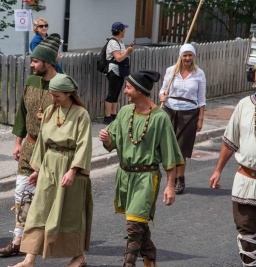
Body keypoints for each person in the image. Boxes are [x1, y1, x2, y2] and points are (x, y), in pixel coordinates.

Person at [99, 71, 184, 267]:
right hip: (125, 175)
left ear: (139, 90)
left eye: (128, 88)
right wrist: (106, 138)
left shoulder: (160, 118)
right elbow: (112, 141)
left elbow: (169, 156)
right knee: (137, 222)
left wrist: (170, 186)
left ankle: (128, 264)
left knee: (133, 225)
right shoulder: (124, 112)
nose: (126, 91)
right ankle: (150, 255)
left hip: (146, 177)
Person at [9, 73, 93, 267]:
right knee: (39, 210)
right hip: (49, 164)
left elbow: (84, 145)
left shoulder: (81, 115)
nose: (53, 99)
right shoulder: (49, 111)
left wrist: (73, 171)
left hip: (70, 166)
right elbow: (41, 142)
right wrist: (37, 169)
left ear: (69, 93)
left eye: (57, 96)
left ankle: (78, 256)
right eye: (52, 95)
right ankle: (29, 259)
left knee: (69, 214)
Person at [0, 33, 61, 256]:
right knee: (21, 193)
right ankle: (18, 240)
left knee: (43, 197)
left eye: (35, 61)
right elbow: (22, 113)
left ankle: (48, 240)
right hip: (29, 146)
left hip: (51, 151)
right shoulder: (31, 81)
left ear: (48, 62)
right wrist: (17, 142)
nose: (31, 64)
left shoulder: (62, 85)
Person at [209, 92, 256, 266]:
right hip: (246, 181)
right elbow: (230, 141)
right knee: (246, 233)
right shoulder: (244, 105)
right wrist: (217, 170)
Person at [159, 43, 206, 194]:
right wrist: (162, 96)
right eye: (184, 55)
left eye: (190, 55)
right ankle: (170, 181)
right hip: (170, 110)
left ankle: (180, 178)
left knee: (181, 149)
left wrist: (200, 119)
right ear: (180, 56)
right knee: (169, 148)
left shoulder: (199, 74)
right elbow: (162, 90)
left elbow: (201, 98)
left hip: (189, 113)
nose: (187, 58)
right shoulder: (171, 71)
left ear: (194, 56)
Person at [103, 21, 134, 124]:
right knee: (112, 93)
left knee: (116, 93)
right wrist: (128, 52)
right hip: (114, 71)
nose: (125, 31)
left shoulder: (120, 42)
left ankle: (114, 114)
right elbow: (119, 58)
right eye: (124, 30)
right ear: (120, 31)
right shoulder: (113, 42)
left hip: (120, 71)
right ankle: (107, 116)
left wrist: (127, 50)